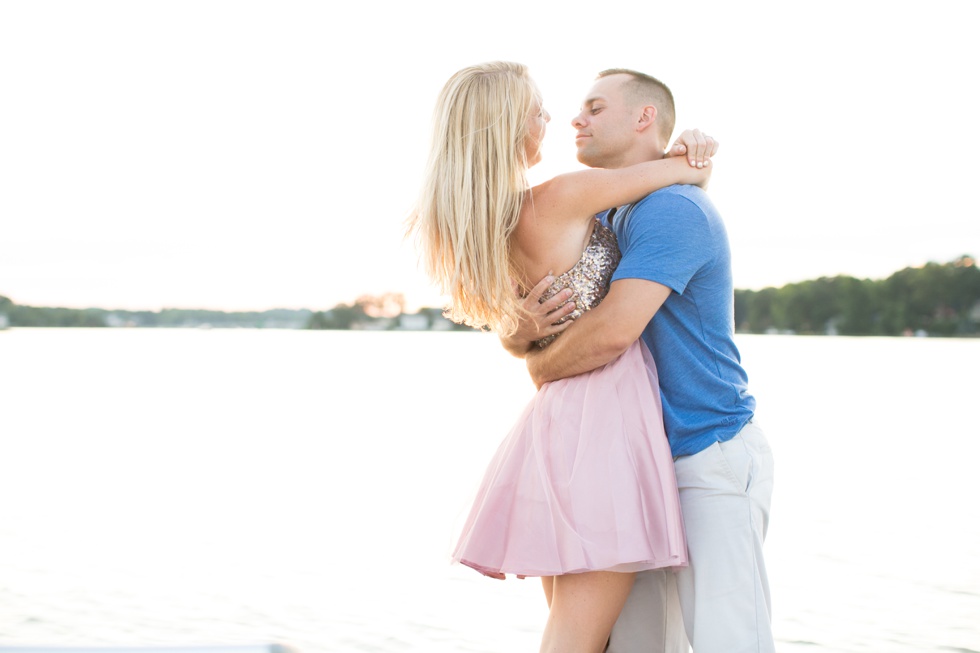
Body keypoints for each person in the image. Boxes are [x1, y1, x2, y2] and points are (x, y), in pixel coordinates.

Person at [409, 61, 717, 653]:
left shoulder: (484, 223)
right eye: (538, 111)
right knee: (576, 641)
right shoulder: (562, 197)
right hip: (604, 418)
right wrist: (700, 142)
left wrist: (518, 338)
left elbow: (522, 331)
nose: (552, 120)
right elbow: (687, 170)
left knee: (582, 638)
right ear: (507, 127)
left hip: (555, 420)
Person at [512, 69, 776, 653]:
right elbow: (540, 319)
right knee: (634, 645)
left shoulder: (673, 209)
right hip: (633, 466)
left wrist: (538, 368)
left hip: (705, 452)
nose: (576, 119)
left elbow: (610, 335)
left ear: (643, 118)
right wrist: (518, 333)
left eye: (595, 107)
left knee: (728, 640)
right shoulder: (600, 217)